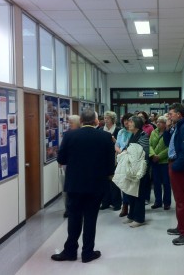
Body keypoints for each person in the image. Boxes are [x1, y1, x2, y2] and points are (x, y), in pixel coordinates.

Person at [52, 109, 115, 263]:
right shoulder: (106, 137)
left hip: (74, 184)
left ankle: (70, 252)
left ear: (81, 121)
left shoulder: (70, 135)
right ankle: (87, 253)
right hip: (96, 185)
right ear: (96, 121)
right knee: (90, 219)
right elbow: (110, 164)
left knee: (74, 218)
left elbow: (61, 159)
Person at [164, 103, 184, 246]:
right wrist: (167, 127)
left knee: (182, 200)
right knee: (178, 199)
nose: (169, 116)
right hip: (174, 164)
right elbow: (167, 143)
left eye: (171, 113)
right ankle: (181, 227)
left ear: (179, 114)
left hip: (178, 167)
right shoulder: (176, 127)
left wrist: (176, 166)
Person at [121, 116, 149, 227]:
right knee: (131, 193)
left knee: (139, 194)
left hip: (139, 170)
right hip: (131, 169)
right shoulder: (132, 135)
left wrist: (128, 152)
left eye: (131, 122)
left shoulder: (143, 135)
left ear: (137, 124)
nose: (128, 123)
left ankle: (139, 219)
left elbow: (143, 152)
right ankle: (131, 215)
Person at [59, 114, 81, 218]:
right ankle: (68, 208)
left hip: (78, 167)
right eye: (69, 122)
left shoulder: (81, 134)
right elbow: (62, 151)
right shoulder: (67, 134)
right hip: (67, 166)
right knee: (66, 189)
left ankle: (76, 208)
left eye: (71, 123)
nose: (69, 124)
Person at [100, 111, 122, 211]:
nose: (105, 120)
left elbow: (122, 144)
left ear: (113, 120)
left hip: (115, 158)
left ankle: (116, 203)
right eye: (105, 118)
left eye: (108, 118)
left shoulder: (118, 130)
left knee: (114, 181)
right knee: (104, 181)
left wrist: (115, 141)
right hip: (104, 158)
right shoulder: (101, 130)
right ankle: (105, 202)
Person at [149, 115, 171, 210]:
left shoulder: (169, 133)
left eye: (161, 122)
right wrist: (153, 155)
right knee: (156, 183)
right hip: (154, 161)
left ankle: (167, 202)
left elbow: (169, 147)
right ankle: (158, 201)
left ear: (165, 124)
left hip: (164, 162)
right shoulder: (153, 132)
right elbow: (149, 145)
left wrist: (160, 156)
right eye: (157, 121)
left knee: (166, 183)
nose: (158, 123)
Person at [115, 112, 133, 217]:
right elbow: (116, 144)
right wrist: (120, 151)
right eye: (125, 120)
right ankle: (125, 205)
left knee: (131, 185)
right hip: (121, 159)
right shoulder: (121, 131)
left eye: (129, 120)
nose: (126, 122)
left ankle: (131, 206)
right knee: (123, 184)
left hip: (131, 160)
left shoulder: (135, 132)